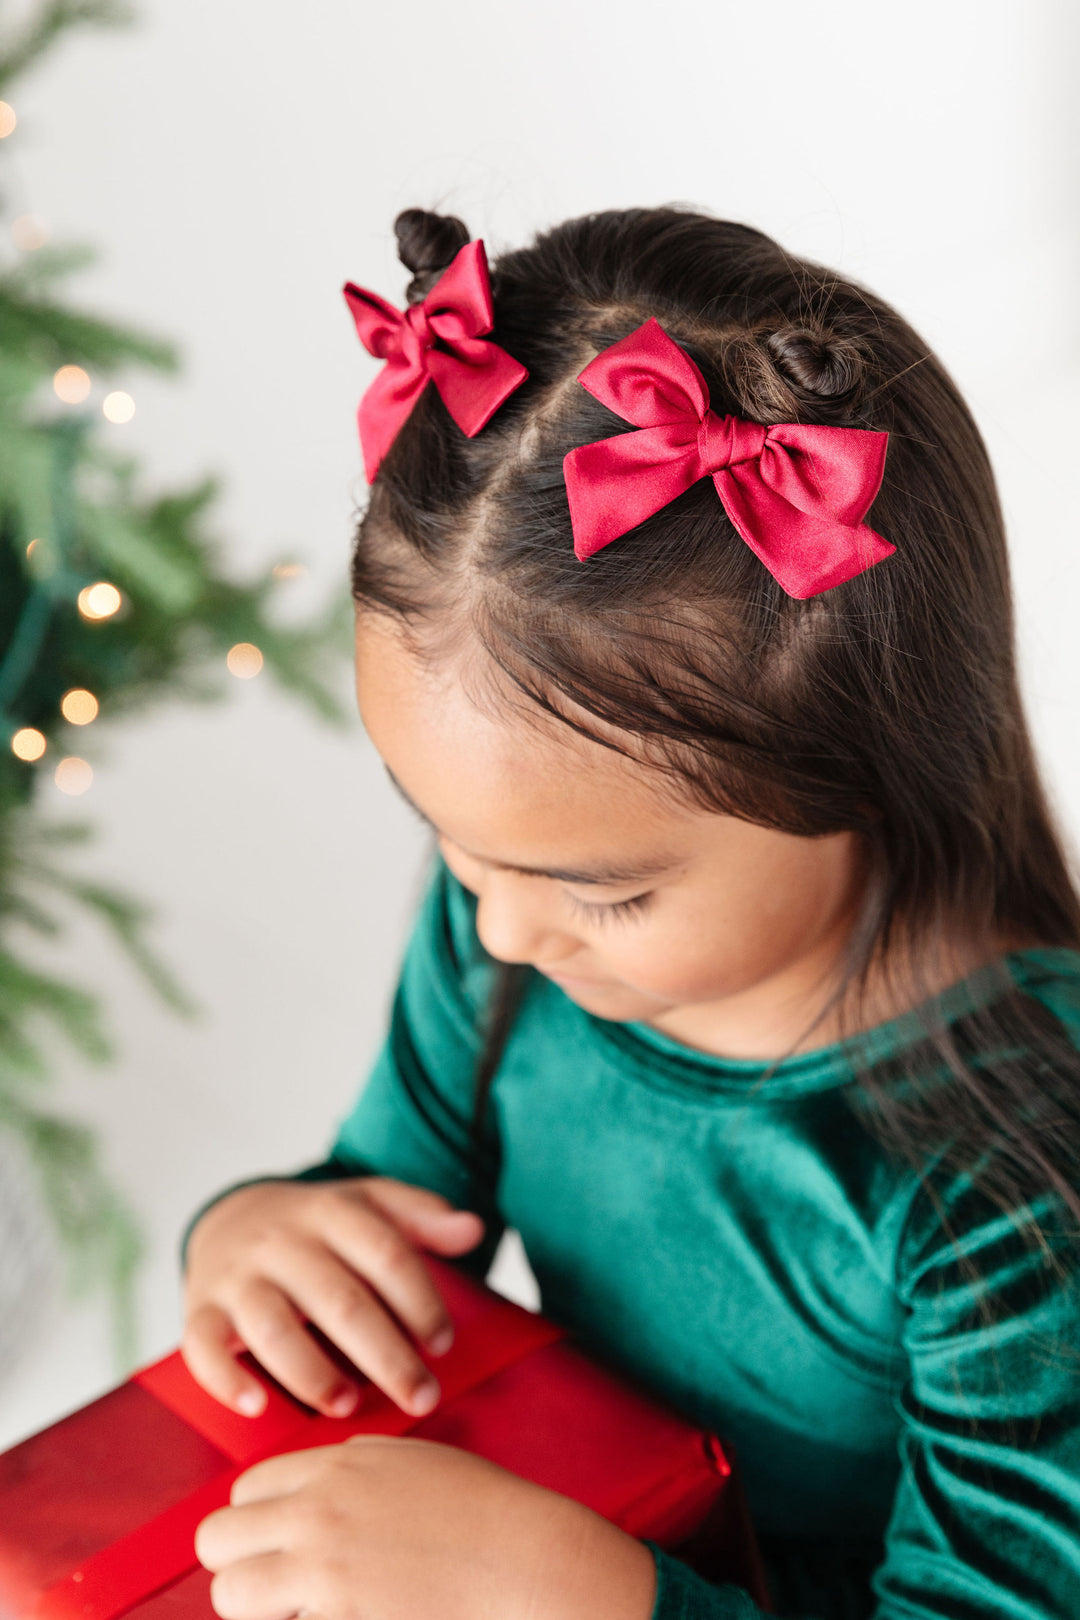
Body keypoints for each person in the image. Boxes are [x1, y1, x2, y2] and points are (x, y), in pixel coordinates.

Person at [180, 205, 1080, 1620]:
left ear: (866, 765)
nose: (496, 937)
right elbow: (382, 1213)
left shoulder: (1017, 1175)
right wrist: (261, 1236)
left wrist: (589, 1596)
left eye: (606, 891)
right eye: (453, 847)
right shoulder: (510, 922)